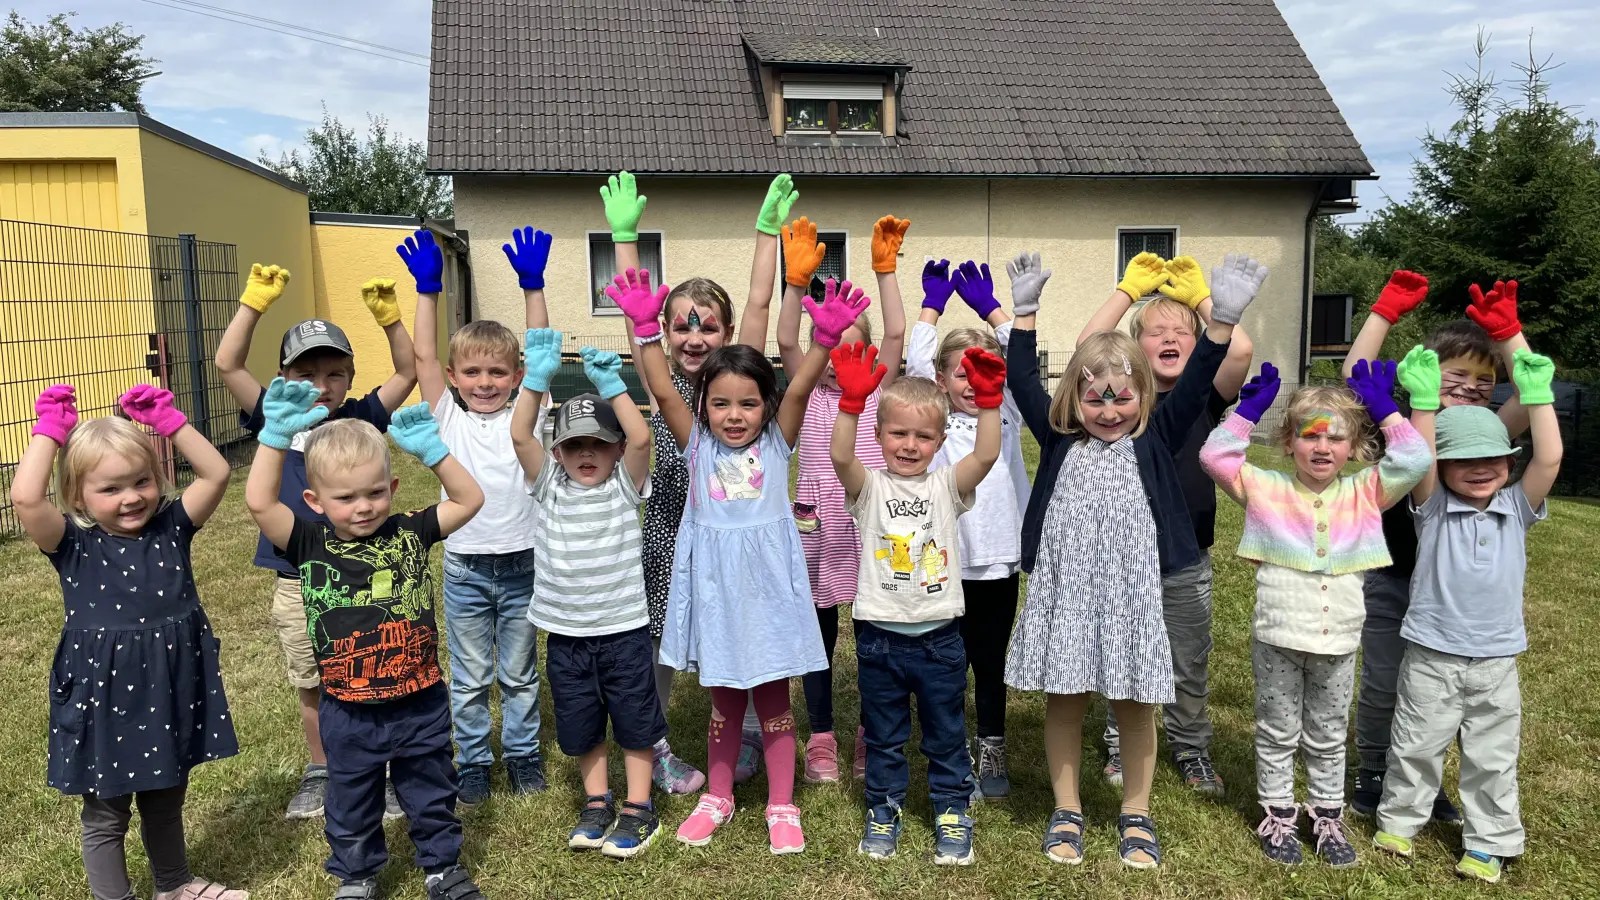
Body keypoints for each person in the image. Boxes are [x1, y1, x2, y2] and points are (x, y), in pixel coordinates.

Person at [1005, 254, 1262, 869]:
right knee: (1064, 701)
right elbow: (1021, 382)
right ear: (1076, 399)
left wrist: (1221, 319)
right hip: (1067, 598)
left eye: (1122, 398)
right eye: (1096, 398)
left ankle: (1136, 812)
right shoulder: (1061, 437)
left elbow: (1201, 379)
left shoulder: (1159, 434)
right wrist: (1024, 314)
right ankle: (1067, 809)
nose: (1110, 410)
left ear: (1143, 397)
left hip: (1133, 601)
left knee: (1136, 708)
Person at [622, 266, 868, 854]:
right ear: (704, 407)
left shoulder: (778, 442)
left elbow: (803, 389)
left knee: (777, 705)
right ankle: (720, 796)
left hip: (771, 595)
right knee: (723, 704)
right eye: (722, 403)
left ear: (767, 406)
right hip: (716, 594)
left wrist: (826, 342)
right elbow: (660, 388)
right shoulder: (695, 444)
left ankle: (782, 804)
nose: (735, 415)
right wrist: (642, 329)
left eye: (749, 404)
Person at [244, 388, 487, 900]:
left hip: (419, 699)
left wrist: (435, 451)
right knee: (351, 796)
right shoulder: (308, 540)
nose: (363, 507)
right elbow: (260, 501)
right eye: (346, 497)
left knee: (431, 789)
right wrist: (273, 436)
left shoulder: (409, 532)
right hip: (347, 708)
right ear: (314, 501)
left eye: (375, 493)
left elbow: (470, 500)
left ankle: (441, 868)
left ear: (393, 487)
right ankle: (356, 875)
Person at [603, 171, 792, 793]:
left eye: (707, 326)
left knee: (745, 628)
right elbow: (638, 309)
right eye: (681, 326)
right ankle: (653, 744)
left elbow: (760, 303)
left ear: (728, 335)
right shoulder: (665, 380)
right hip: (669, 530)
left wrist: (767, 235)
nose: (693, 337)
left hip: (740, 536)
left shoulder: (737, 382)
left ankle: (756, 735)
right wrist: (624, 237)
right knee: (660, 635)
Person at [16, 385, 244, 900]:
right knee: (106, 812)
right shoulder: (72, 546)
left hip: (170, 686)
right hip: (106, 698)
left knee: (167, 796)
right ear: (77, 498)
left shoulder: (172, 529)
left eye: (141, 481)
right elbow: (26, 497)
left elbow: (217, 472)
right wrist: (51, 430)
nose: (131, 497)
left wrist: (170, 421)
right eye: (110, 489)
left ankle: (174, 884)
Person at [1200, 361, 1431, 866]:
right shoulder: (1267, 491)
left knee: (1328, 736)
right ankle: (1279, 815)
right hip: (1278, 637)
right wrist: (1249, 412)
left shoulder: (1367, 493)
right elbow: (1216, 456)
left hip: (1339, 642)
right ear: (1288, 442)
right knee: (1278, 731)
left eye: (1336, 439)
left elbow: (1414, 459)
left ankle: (1327, 816)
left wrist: (1386, 409)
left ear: (1353, 447)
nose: (1322, 447)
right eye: (1310, 437)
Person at [215, 265, 418, 820]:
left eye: (334, 373)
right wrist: (253, 304)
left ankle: (387, 771)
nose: (321, 386)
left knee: (380, 671)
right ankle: (322, 768)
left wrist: (392, 319)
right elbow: (227, 363)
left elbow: (408, 370)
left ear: (350, 378)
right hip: (296, 579)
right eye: (306, 373)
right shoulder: (273, 417)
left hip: (365, 577)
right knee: (313, 681)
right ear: (283, 376)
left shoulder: (360, 418)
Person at [1345, 273, 1532, 821]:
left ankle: (1422, 780)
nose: (1474, 386)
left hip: (1453, 600)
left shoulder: (1490, 432)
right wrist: (1382, 313)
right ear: (1427, 374)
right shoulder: (1397, 422)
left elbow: (1531, 391)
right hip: (1392, 576)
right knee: (1384, 682)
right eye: (1460, 374)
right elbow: (1355, 378)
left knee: (1439, 699)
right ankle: (1376, 769)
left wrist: (1509, 335)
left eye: (1484, 378)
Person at [1373, 345, 1561, 884]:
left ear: (1509, 463)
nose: (1480, 470)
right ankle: (1399, 823)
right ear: (1442, 468)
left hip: (1497, 660)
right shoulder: (1431, 507)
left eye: (1493, 460)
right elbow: (1419, 456)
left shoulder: (1517, 507)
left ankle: (1489, 841)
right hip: (1432, 653)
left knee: (1492, 755)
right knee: (1415, 744)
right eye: (1463, 461)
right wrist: (1426, 403)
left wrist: (1539, 397)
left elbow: (1548, 459)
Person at [1077, 251, 1257, 796]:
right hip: (1123, 556)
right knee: (1123, 650)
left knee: (1187, 655)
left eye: (1182, 331)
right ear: (1136, 348)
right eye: (1156, 333)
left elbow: (1240, 347)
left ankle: (1190, 747)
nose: (1171, 338)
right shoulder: (1122, 403)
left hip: (1186, 557)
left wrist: (1205, 300)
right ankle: (1118, 745)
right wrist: (1127, 292)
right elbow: (1089, 348)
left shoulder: (1203, 394)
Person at [832, 344, 1004, 865]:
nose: (910, 445)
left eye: (923, 436)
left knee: (946, 735)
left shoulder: (947, 487)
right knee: (883, 737)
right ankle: (884, 809)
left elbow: (988, 455)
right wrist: (851, 403)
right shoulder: (869, 487)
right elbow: (841, 456)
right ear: (880, 435)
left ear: (940, 440)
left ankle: (952, 812)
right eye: (898, 433)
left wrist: (991, 401)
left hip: (939, 641)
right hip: (879, 639)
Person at [399, 227, 550, 804]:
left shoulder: (531, 414)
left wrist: (533, 286)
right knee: (467, 680)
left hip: (522, 566)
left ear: (516, 377)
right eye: (473, 374)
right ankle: (474, 761)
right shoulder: (447, 417)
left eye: (497, 373)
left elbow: (540, 346)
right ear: (457, 380)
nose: (484, 383)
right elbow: (424, 356)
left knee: (517, 674)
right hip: (463, 568)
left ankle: (522, 755)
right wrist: (428, 291)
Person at [510, 329, 665, 858]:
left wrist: (613, 384)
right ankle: (597, 801)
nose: (586, 454)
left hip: (622, 632)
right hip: (568, 637)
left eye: (598, 444)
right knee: (580, 724)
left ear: (615, 448)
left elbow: (643, 438)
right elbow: (519, 435)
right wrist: (535, 379)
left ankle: (640, 808)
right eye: (573, 445)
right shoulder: (548, 484)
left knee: (634, 721)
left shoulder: (626, 482)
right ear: (557, 452)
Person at [777, 213, 909, 783]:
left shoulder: (878, 391)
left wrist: (885, 270)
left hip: (870, 523)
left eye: (854, 350)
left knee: (875, 634)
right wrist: (796, 283)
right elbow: (785, 337)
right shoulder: (805, 394)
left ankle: (870, 734)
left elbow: (899, 334)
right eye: (830, 349)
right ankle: (824, 734)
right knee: (818, 635)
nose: (841, 362)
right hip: (816, 528)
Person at [903, 254, 1038, 798]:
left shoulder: (1004, 406)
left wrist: (994, 311)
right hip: (944, 561)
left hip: (998, 560)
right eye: (961, 370)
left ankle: (993, 745)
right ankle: (951, 747)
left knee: (989, 660)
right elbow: (916, 363)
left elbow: (1023, 370)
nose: (971, 378)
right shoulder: (930, 412)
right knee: (945, 662)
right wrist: (932, 307)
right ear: (940, 379)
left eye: (982, 367)